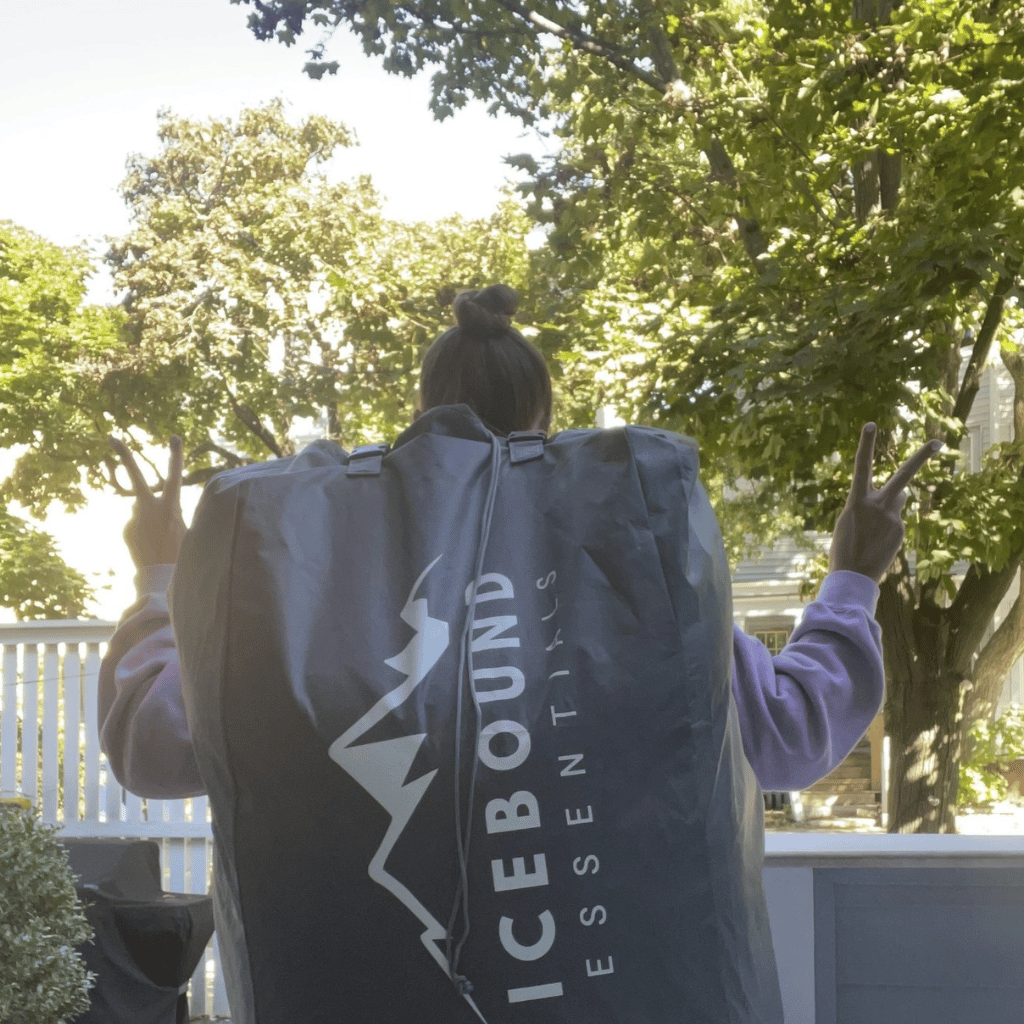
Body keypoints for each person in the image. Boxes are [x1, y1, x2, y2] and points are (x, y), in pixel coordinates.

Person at [99, 284, 940, 1024]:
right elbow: (792, 735)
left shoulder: (313, 601)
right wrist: (852, 578)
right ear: (544, 419)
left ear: (422, 405)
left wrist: (159, 577)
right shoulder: (629, 592)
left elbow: (154, 744)